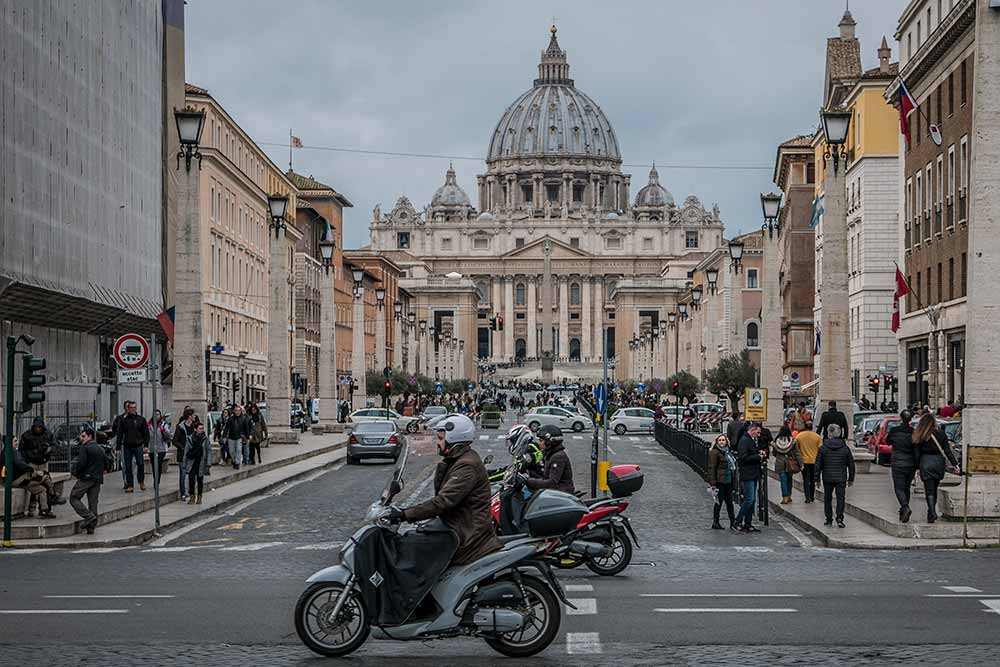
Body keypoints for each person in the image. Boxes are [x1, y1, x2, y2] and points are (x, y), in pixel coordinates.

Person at [385, 414, 502, 565]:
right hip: (457, 526)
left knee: (413, 548)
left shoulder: (466, 465)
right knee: (415, 538)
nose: (438, 443)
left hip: (467, 535)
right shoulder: (458, 460)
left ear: (453, 439)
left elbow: (443, 501)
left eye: (441, 439)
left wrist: (404, 514)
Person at [913, 412, 959, 523]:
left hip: (926, 462)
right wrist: (955, 464)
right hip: (938, 462)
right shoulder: (941, 433)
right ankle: (931, 512)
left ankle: (932, 511)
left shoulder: (920, 434)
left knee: (929, 490)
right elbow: (947, 450)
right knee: (934, 487)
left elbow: (917, 453)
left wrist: (916, 467)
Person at [17, 416, 64, 512]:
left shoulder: (48, 434)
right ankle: (33, 507)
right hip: (31, 463)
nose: (38, 429)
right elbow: (21, 450)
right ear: (33, 426)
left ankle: (46, 507)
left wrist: (49, 449)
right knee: (35, 484)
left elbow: (55, 445)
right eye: (36, 427)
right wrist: (27, 462)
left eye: (40, 427)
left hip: (43, 463)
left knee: (45, 484)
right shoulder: (26, 435)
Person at [815, 423, 855, 528]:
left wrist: (817, 479)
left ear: (829, 433)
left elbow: (818, 464)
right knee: (840, 498)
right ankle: (839, 518)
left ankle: (828, 519)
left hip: (827, 477)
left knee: (827, 498)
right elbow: (851, 464)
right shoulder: (845, 448)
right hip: (841, 477)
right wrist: (851, 478)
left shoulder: (823, 448)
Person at [69, 428, 104, 534]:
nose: (81, 438)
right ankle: (91, 527)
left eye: (83, 436)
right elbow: (107, 463)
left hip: (86, 478)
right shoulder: (100, 448)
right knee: (93, 503)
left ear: (90, 437)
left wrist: (77, 474)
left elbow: (81, 464)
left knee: (73, 498)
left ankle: (89, 517)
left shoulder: (85, 447)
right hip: (97, 478)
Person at [523, 424, 574, 494]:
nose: (539, 444)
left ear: (550, 442)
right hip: (555, 492)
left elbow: (552, 483)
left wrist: (527, 481)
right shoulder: (549, 454)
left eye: (541, 441)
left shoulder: (558, 457)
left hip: (561, 493)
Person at [886, 410, 918, 523]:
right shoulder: (913, 432)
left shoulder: (894, 431)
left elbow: (888, 442)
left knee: (899, 488)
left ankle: (905, 507)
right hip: (910, 463)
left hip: (898, 462)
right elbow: (916, 448)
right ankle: (904, 510)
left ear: (901, 418)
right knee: (906, 487)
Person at [114, 401, 149, 492]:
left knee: (140, 464)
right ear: (128, 409)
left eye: (134, 407)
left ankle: (141, 481)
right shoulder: (124, 420)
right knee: (128, 466)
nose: (133, 409)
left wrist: (146, 445)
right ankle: (130, 485)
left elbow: (146, 433)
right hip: (127, 446)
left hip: (138, 446)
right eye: (131, 408)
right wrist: (117, 448)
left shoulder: (141, 419)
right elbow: (120, 434)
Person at [734, 423, 763, 533]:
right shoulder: (745, 440)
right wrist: (758, 457)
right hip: (748, 474)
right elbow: (743, 457)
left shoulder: (750, 440)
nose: (759, 435)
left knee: (752, 500)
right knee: (749, 499)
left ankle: (748, 523)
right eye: (758, 432)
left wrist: (757, 453)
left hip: (753, 473)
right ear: (752, 430)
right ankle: (737, 521)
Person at [707, 434, 737, 530]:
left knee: (729, 502)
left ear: (726, 441)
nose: (721, 442)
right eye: (719, 440)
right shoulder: (715, 452)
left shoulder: (727, 452)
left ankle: (733, 522)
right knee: (718, 502)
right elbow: (712, 467)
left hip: (728, 480)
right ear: (716, 442)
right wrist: (713, 483)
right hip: (720, 481)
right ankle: (715, 522)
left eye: (723, 440)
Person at [772, 426, 803, 505]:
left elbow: (774, 453)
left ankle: (784, 497)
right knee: (789, 479)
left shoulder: (777, 441)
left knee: (783, 480)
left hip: (780, 463)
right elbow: (797, 453)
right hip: (790, 463)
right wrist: (801, 464)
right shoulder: (792, 441)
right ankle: (789, 495)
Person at [184, 422, 211, 504]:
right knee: (191, 479)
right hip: (192, 461)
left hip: (201, 462)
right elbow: (186, 450)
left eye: (202, 428)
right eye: (200, 428)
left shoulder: (205, 439)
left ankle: (199, 497)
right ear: (195, 429)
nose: (202, 430)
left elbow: (209, 450)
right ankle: (192, 496)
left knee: (200, 480)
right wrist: (184, 463)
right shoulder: (190, 438)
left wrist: (208, 462)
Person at [794, 427, 822, 503]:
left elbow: (796, 448)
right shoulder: (817, 436)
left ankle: (807, 497)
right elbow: (820, 449)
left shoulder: (799, 436)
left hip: (804, 461)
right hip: (814, 461)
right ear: (811, 427)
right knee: (813, 480)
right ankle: (812, 496)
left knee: (806, 480)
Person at [172, 409, 195, 501]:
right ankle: (183, 493)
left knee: (192, 474)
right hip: (183, 455)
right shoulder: (180, 427)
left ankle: (191, 492)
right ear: (189, 416)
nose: (194, 417)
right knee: (183, 475)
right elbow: (174, 441)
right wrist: (182, 447)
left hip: (192, 454)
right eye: (193, 415)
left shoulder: (194, 426)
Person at [224, 404, 251, 469]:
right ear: (234, 411)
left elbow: (246, 428)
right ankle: (234, 460)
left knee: (239, 450)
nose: (237, 412)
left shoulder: (243, 419)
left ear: (241, 411)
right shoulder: (230, 419)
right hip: (231, 437)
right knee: (231, 451)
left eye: (239, 411)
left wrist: (247, 437)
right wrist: (224, 436)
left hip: (239, 437)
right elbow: (226, 428)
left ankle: (237, 462)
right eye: (236, 411)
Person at [148, 410, 170, 487]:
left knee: (158, 464)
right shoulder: (149, 424)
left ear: (160, 416)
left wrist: (164, 430)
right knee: (154, 465)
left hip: (161, 448)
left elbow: (168, 435)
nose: (156, 416)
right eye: (155, 414)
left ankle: (157, 481)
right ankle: (155, 478)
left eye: (158, 414)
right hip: (151, 449)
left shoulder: (163, 424)